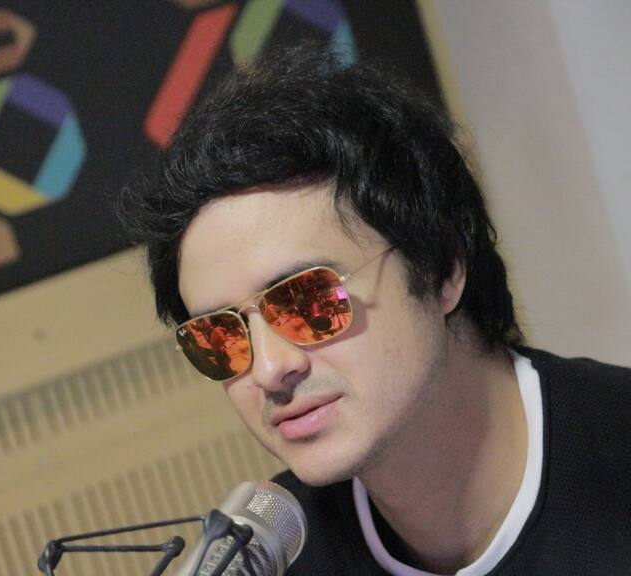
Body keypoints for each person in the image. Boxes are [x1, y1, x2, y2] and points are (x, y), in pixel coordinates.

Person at [119, 48, 631, 575]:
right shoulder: (276, 557)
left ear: (441, 269)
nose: (269, 369)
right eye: (220, 337)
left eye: (307, 301)